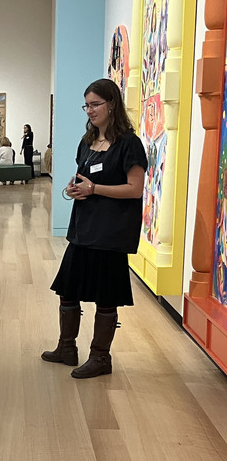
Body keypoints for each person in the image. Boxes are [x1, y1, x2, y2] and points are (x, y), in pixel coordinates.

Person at [41, 78, 147, 379]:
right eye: (86, 105)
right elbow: (82, 180)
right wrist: (75, 189)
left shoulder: (129, 143)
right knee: (67, 290)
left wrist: (95, 188)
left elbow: (135, 189)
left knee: (106, 296)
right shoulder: (87, 142)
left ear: (112, 104)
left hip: (111, 232)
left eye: (95, 104)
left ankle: (101, 358)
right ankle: (67, 347)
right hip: (84, 228)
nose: (89, 110)